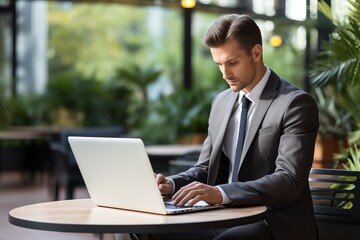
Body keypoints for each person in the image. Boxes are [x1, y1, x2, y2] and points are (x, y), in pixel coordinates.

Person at [118, 13, 319, 240]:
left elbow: (289, 180)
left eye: (232, 63)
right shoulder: (222, 102)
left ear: (256, 53)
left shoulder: (294, 104)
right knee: (138, 228)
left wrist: (220, 193)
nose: (225, 74)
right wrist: (171, 184)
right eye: (219, 64)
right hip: (222, 216)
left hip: (272, 221)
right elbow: (205, 168)